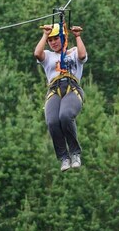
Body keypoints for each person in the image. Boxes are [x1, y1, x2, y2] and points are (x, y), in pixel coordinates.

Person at [34, 23, 87, 171]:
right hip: (54, 90)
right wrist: (45, 34)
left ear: (63, 38)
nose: (53, 42)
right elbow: (37, 54)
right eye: (50, 40)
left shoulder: (74, 51)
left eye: (56, 38)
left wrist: (77, 36)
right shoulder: (48, 55)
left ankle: (75, 153)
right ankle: (64, 157)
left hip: (72, 88)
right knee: (52, 121)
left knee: (65, 116)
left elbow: (82, 56)